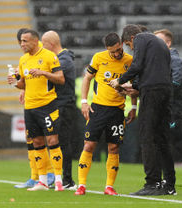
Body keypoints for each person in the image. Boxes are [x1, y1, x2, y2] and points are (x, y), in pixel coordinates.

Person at [110, 24, 176, 196]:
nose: (130, 49)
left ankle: (152, 183)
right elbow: (156, 71)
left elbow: (137, 65)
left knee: (147, 135)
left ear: (131, 38)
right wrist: (135, 86)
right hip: (164, 90)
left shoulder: (140, 38)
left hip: (152, 92)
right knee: (161, 137)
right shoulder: (158, 43)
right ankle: (169, 184)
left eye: (128, 46)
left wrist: (120, 80)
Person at [74, 32, 137, 196]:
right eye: (112, 52)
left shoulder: (130, 62)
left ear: (122, 44)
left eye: (117, 50)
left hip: (117, 111)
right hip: (98, 109)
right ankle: (81, 185)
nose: (115, 54)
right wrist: (84, 102)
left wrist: (134, 107)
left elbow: (134, 87)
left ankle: (109, 186)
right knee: (88, 145)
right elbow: (87, 78)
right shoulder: (98, 58)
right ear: (106, 49)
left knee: (114, 147)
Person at [8, 29, 65, 191]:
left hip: (47, 105)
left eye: (25, 41)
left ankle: (59, 180)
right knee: (37, 142)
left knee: (53, 141)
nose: (22, 44)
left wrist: (43, 73)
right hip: (30, 107)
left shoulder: (49, 56)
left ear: (35, 41)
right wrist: (14, 82)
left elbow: (61, 79)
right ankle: (43, 181)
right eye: (21, 41)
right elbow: (24, 85)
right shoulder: (23, 60)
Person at [154, 29, 182, 182]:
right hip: (164, 107)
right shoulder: (160, 60)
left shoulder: (174, 60)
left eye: (159, 41)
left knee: (177, 143)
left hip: (172, 109)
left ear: (168, 43)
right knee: (163, 143)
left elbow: (176, 82)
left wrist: (161, 94)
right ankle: (167, 177)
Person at [41, 30, 77, 190]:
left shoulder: (65, 59)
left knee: (63, 141)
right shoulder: (59, 58)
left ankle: (67, 179)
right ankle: (57, 177)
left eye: (43, 44)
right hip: (55, 105)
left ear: (50, 44)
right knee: (54, 141)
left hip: (64, 105)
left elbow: (54, 75)